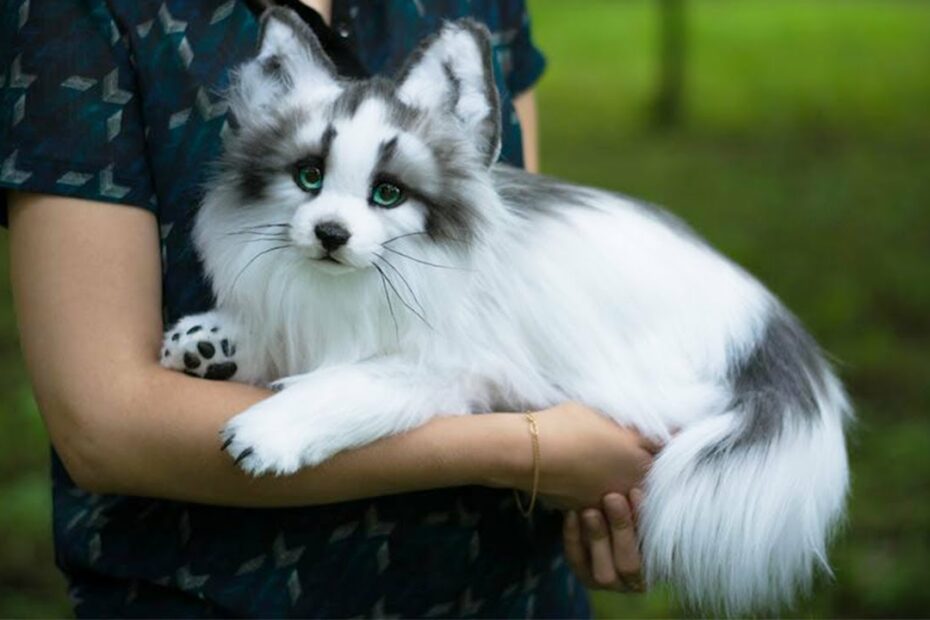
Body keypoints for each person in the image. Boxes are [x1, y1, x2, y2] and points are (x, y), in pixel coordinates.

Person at [1, 0, 658, 616]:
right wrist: (528, 451)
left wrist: (613, 497)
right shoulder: (83, 14)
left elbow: (506, 283)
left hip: (515, 591)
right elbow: (106, 426)